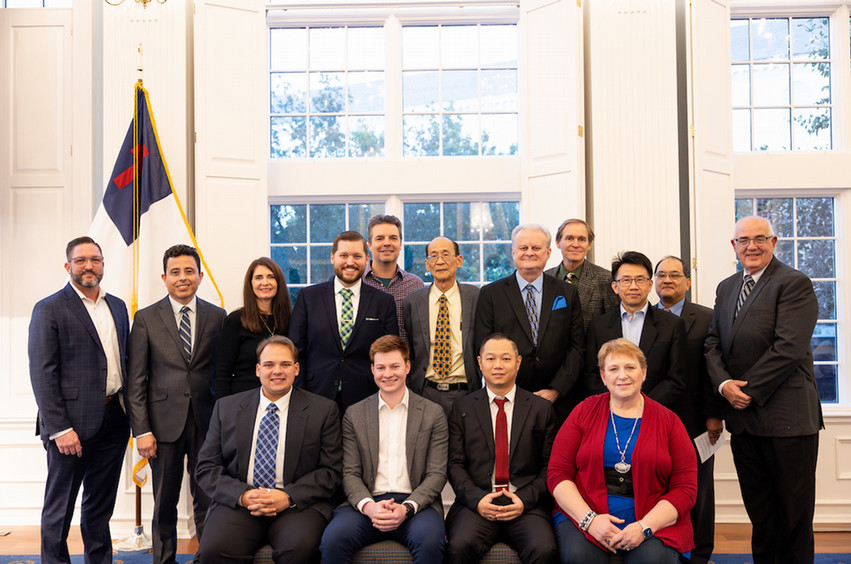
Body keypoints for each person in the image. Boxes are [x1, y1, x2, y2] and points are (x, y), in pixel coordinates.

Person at [705, 216, 822, 564]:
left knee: (793, 514)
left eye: (760, 239)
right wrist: (724, 385)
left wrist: (748, 390)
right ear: (734, 246)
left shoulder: (794, 283)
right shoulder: (727, 287)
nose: (751, 246)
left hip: (787, 419)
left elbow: (788, 347)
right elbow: (712, 342)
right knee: (761, 511)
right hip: (744, 421)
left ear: (774, 241)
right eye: (743, 240)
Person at [548, 338, 697, 564]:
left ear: (644, 372)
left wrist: (645, 527)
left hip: (651, 520)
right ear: (603, 376)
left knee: (652, 561)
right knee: (580, 558)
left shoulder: (670, 421)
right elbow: (558, 473)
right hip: (587, 513)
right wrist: (590, 521)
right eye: (613, 369)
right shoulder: (583, 412)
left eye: (630, 367)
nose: (622, 375)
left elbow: (685, 487)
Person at [28, 236, 130, 564]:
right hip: (69, 429)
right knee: (59, 510)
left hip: (114, 420)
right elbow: (43, 373)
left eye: (95, 259)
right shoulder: (49, 308)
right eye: (81, 260)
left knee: (99, 508)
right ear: (68, 266)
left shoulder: (117, 306)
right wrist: (59, 428)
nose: (89, 266)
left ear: (103, 264)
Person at [195, 336, 342, 563]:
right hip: (241, 503)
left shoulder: (323, 410)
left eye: (285, 364)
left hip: (296, 505)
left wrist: (288, 496)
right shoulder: (227, 408)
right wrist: (243, 495)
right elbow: (206, 467)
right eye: (269, 365)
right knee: (213, 550)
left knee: (299, 549)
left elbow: (331, 472)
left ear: (296, 369)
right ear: (257, 369)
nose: (277, 371)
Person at [126, 244, 226, 564]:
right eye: (175, 272)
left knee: (207, 497)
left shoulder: (217, 315)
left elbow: (223, 374)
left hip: (207, 423)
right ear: (164, 277)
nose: (182, 278)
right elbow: (136, 380)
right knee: (164, 502)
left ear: (200, 276)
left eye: (188, 271)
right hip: (162, 426)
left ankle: (207, 558)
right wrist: (141, 430)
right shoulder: (145, 318)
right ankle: (164, 560)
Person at [320, 335, 447, 563]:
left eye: (395, 366)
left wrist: (406, 508)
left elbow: (436, 474)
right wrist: (370, 508)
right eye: (381, 367)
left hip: (415, 504)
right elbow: (350, 473)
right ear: (372, 370)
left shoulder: (433, 413)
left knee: (430, 543)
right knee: (333, 540)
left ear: (407, 367)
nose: (388, 374)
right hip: (368, 504)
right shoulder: (354, 414)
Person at [445, 333, 558, 564]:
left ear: (518, 363)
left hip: (525, 503)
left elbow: (550, 466)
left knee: (544, 549)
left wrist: (524, 500)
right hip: (479, 501)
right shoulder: (462, 407)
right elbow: (454, 464)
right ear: (479, 362)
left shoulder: (541, 409)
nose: (498, 365)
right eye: (490, 358)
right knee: (458, 546)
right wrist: (478, 499)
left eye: (506, 359)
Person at [654, 256, 723, 564]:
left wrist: (714, 414)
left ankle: (699, 553)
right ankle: (664, 545)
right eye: (661, 275)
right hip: (654, 417)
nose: (667, 280)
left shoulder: (709, 317)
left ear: (688, 281)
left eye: (674, 275)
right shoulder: (644, 317)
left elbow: (715, 369)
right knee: (658, 485)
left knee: (699, 488)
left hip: (697, 419)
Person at [474, 224, 584, 415]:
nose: (529, 253)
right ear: (513, 252)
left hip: (558, 402)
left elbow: (577, 347)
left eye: (536, 248)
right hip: (507, 399)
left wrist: (556, 389)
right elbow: (482, 346)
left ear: (548, 252)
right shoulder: (491, 294)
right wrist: (507, 390)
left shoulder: (567, 293)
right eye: (523, 248)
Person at [289, 230, 398, 413]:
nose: (350, 262)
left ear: (366, 259)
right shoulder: (308, 297)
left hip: (367, 399)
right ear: (333, 257)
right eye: (343, 255)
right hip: (315, 397)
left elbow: (390, 354)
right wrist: (300, 395)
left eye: (357, 256)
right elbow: (295, 351)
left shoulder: (384, 302)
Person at [583, 251, 686, 410]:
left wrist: (643, 405)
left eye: (640, 280)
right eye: (626, 280)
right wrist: (617, 403)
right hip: (611, 412)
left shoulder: (672, 325)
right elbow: (591, 376)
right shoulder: (598, 326)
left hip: (656, 412)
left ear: (650, 285)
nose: (633, 286)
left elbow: (676, 378)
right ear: (615, 287)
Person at [403, 236, 480, 415]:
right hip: (425, 392)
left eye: (446, 255)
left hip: (466, 392)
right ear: (427, 264)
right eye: (433, 256)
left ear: (459, 261)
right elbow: (410, 351)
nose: (440, 261)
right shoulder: (412, 302)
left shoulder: (476, 298)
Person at [214, 257, 292, 398]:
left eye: (271, 277)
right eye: (258, 277)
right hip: (242, 399)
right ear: (250, 284)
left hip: (283, 398)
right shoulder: (236, 320)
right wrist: (222, 408)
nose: (265, 282)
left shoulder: (291, 319)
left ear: (279, 282)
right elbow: (222, 372)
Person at [544, 218, 619, 329]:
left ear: (589, 244)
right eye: (569, 238)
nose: (576, 244)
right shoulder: (545, 278)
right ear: (557, 242)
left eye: (582, 239)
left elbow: (612, 325)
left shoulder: (606, 279)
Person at [362, 214, 424, 340]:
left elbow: (421, 334)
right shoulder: (358, 282)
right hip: (365, 359)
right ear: (369, 244)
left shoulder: (415, 285)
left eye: (393, 238)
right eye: (379, 238)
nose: (387, 243)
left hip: (405, 359)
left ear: (400, 244)